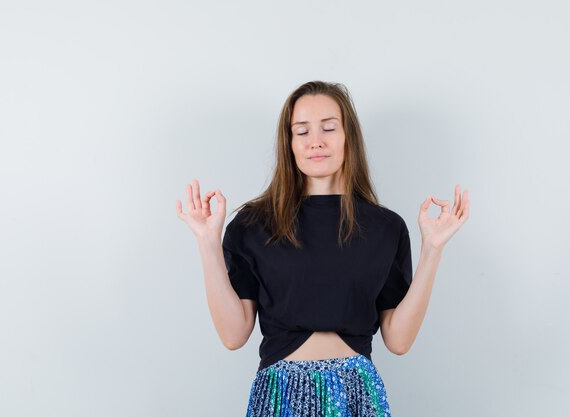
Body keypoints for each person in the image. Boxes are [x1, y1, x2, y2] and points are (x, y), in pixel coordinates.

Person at [176, 80, 470, 417]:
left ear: (348, 137)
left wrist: (433, 249)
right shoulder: (252, 225)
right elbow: (233, 334)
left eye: (328, 128)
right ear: (289, 144)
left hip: (356, 394)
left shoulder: (384, 228)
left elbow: (398, 340)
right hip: (280, 395)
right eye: (302, 131)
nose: (315, 141)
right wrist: (207, 242)